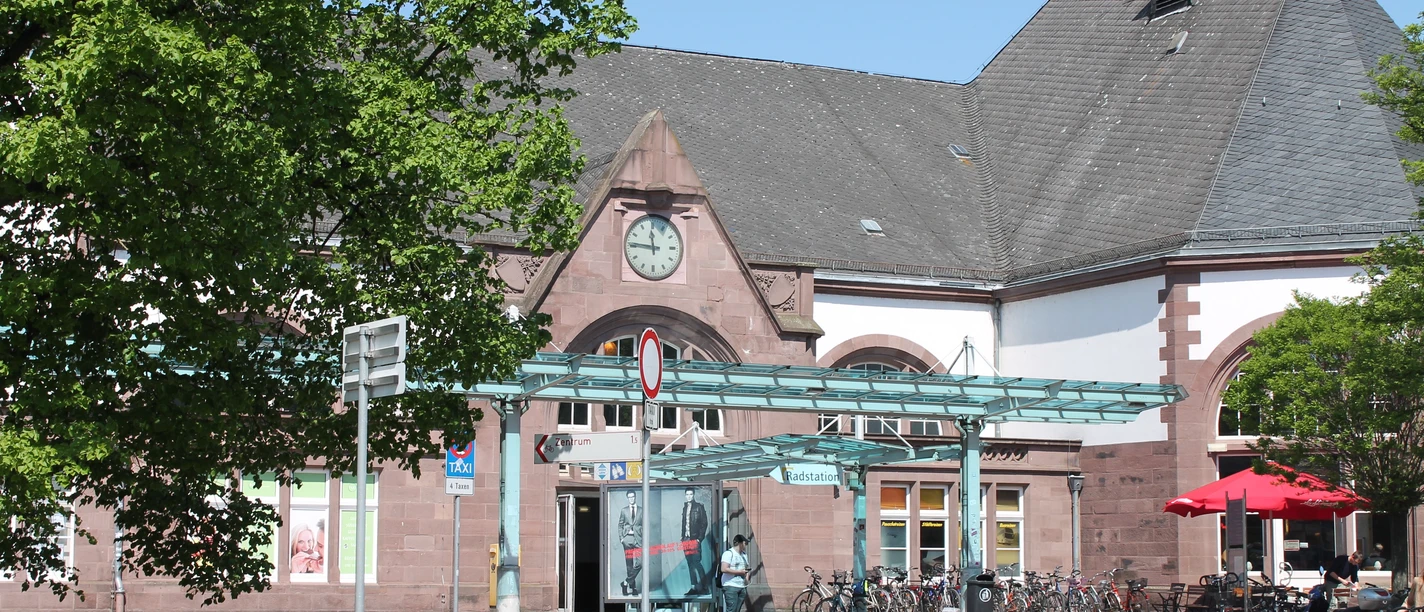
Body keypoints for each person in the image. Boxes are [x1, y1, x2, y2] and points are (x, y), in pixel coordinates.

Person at [680, 488, 710, 596]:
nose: (689, 496)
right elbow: (684, 524)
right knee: (690, 564)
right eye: (687, 494)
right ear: (685, 495)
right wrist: (682, 537)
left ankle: (705, 587)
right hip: (686, 540)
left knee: (696, 563)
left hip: (694, 539)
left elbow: (704, 523)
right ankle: (694, 587)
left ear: (693, 495)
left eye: (691, 494)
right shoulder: (684, 508)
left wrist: (699, 538)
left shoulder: (699, 507)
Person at [617, 490, 643, 596]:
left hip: (638, 539)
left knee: (640, 563)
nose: (631, 499)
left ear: (635, 497)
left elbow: (644, 525)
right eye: (629, 497)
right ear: (627, 498)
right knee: (629, 565)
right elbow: (620, 524)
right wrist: (621, 538)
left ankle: (625, 583)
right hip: (627, 539)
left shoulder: (641, 510)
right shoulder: (624, 510)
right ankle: (633, 588)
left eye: (633, 497)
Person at [720, 534, 751, 612]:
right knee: (731, 609)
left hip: (742, 586)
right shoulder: (729, 553)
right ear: (740, 543)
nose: (746, 545)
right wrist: (739, 572)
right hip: (730, 586)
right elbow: (723, 569)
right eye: (745, 543)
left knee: (737, 610)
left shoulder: (744, 555)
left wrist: (746, 580)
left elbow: (746, 568)